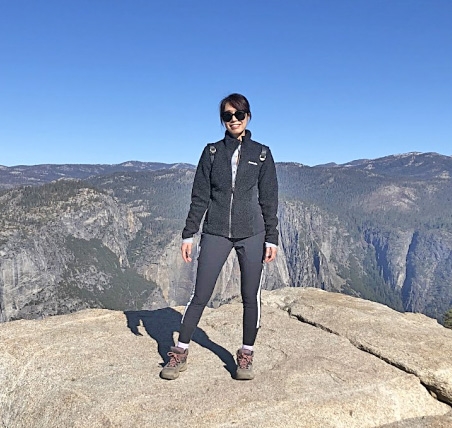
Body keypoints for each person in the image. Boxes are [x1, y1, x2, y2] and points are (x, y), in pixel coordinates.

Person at [160, 93, 279, 381]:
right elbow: (199, 197)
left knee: (251, 296)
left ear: (248, 117)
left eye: (239, 114)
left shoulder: (261, 154)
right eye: (228, 115)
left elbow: (269, 199)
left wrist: (271, 237)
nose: (234, 120)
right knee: (200, 294)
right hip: (215, 232)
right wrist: (189, 233)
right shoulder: (211, 153)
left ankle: (246, 354)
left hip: (252, 233)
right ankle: (180, 351)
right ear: (222, 120)